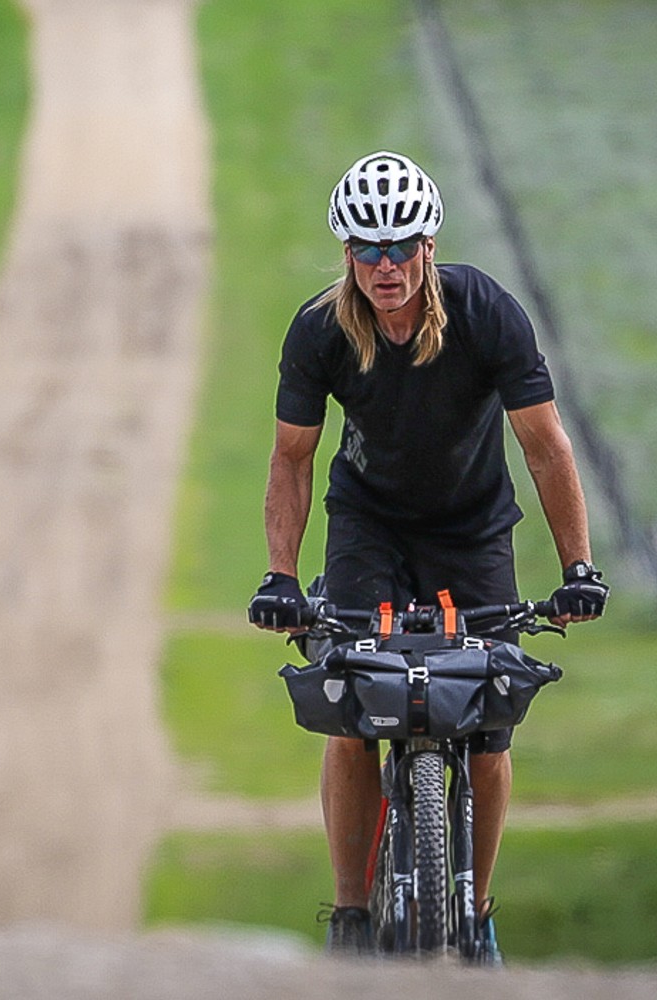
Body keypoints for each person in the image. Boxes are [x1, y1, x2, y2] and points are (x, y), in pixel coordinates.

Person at [247, 150, 609, 960]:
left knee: (490, 722)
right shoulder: (318, 332)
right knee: (349, 710)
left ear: (429, 244)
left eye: (401, 245)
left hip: (475, 528)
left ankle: (475, 915)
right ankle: (348, 915)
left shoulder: (488, 313)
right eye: (368, 249)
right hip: (368, 524)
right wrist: (280, 577)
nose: (386, 266)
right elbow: (293, 459)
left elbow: (546, 447)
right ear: (347, 253)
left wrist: (578, 568)